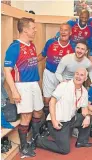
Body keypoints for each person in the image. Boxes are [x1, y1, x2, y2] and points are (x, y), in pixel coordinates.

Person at [4, 17, 44, 158]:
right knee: (26, 116)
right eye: (33, 28)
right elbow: (7, 71)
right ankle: (23, 147)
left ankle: (35, 138)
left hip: (34, 84)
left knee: (38, 111)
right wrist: (14, 91)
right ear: (25, 29)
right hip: (22, 86)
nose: (35, 30)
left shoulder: (31, 45)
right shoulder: (14, 47)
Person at [36, 68, 92, 154]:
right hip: (58, 121)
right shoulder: (64, 85)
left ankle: (82, 141)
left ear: (85, 78)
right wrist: (54, 121)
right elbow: (52, 102)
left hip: (70, 119)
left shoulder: (84, 91)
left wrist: (88, 117)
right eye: (77, 74)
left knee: (89, 117)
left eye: (81, 75)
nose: (78, 76)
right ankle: (38, 140)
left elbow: (85, 110)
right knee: (64, 149)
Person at [38, 23, 76, 116]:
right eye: (61, 30)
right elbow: (42, 55)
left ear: (70, 33)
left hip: (65, 76)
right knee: (47, 99)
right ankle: (47, 122)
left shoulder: (74, 46)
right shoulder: (50, 42)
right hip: (50, 73)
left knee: (64, 99)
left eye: (66, 30)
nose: (63, 32)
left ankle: (64, 121)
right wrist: (29, 62)